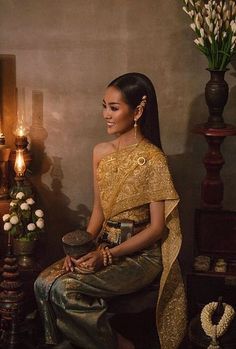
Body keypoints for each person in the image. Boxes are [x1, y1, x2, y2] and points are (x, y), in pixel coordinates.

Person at [34, 72, 187, 349]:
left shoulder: (153, 160)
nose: (106, 114)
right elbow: (98, 212)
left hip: (140, 257)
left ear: (138, 110)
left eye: (114, 108)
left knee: (64, 289)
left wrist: (107, 254)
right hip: (102, 245)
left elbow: (156, 229)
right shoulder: (100, 152)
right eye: (103, 106)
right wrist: (79, 252)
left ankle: (119, 345)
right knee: (43, 283)